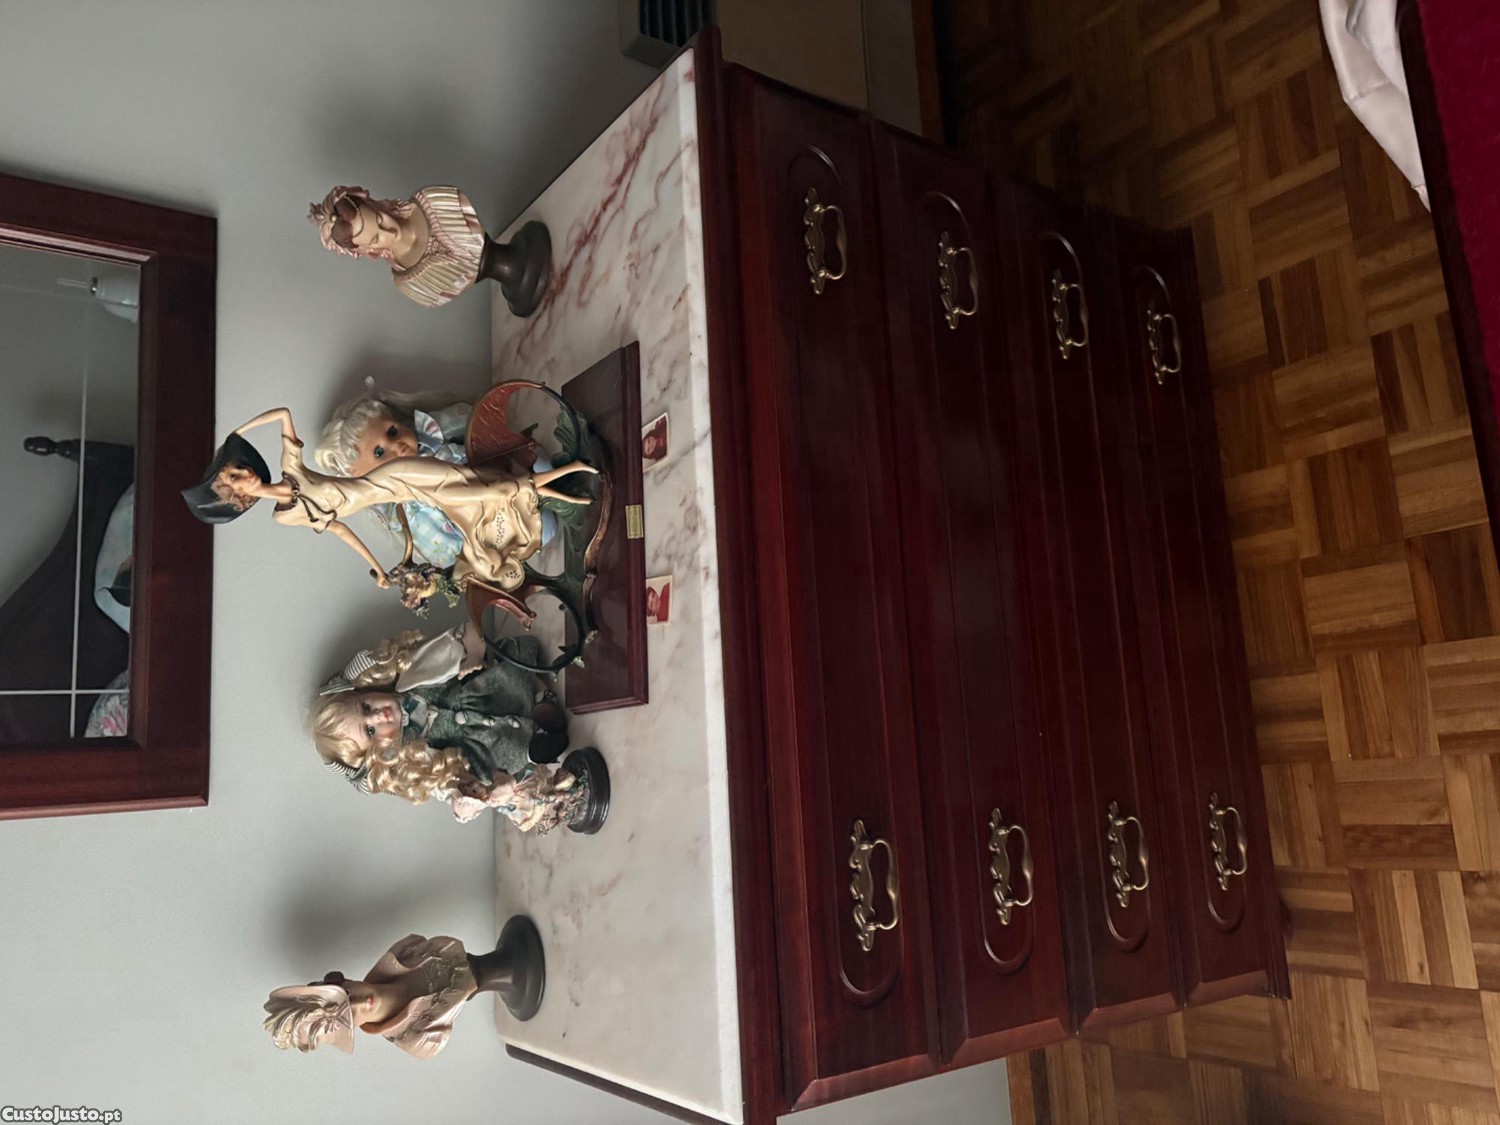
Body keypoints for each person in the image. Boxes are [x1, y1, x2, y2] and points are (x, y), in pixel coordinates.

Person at [181, 406, 595, 594]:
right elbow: (341, 530)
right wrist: (378, 569)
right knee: (479, 498)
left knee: (479, 487)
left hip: (395, 479)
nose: (244, 474)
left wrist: (238, 431)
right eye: (234, 479)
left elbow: (283, 414)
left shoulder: (292, 469)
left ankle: (566, 480)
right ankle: (562, 490)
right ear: (238, 497)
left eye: (237, 467)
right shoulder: (285, 515)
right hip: (393, 492)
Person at [310, 622, 584, 832]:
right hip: (484, 744)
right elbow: (447, 784)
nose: (378, 716)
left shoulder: (411, 675)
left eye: (365, 707)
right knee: (495, 771)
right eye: (370, 731)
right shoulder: (413, 758)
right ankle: (535, 748)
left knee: (511, 675)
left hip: (489, 692)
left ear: (364, 690)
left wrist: (472, 655)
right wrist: (464, 798)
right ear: (376, 753)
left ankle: (542, 697)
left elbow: (467, 631)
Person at [263, 934, 478, 1060]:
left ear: (341, 979)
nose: (361, 1002)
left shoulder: (404, 953)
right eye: (348, 1017)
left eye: (348, 994)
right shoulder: (418, 1039)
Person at [308, 184, 485, 309]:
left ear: (374, 204)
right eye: (376, 239)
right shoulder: (410, 283)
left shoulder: (432, 201)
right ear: (365, 250)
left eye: (380, 220)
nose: (390, 232)